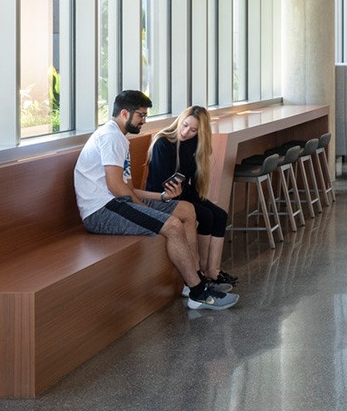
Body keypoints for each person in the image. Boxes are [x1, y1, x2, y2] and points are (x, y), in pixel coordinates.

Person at [74, 90, 235, 310]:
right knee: (172, 225)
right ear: (124, 113)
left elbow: (128, 188)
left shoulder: (119, 138)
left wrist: (161, 197)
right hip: (101, 211)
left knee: (187, 210)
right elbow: (115, 186)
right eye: (141, 115)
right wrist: (148, 211)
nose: (144, 120)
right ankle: (198, 293)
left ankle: (195, 279)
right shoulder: (111, 137)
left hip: (117, 201)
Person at [145, 104, 239, 300]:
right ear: (180, 120)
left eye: (193, 129)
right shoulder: (163, 143)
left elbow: (194, 183)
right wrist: (176, 191)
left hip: (183, 194)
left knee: (219, 215)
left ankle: (212, 270)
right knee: (204, 215)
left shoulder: (194, 145)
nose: (186, 132)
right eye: (185, 125)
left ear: (200, 132)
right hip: (160, 197)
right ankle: (202, 274)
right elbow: (160, 185)